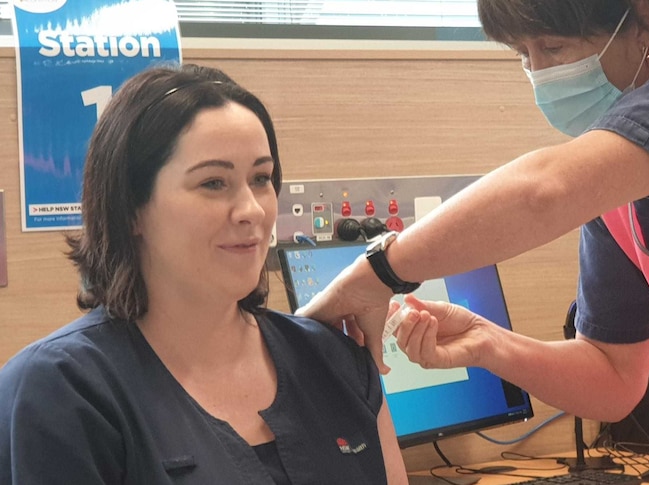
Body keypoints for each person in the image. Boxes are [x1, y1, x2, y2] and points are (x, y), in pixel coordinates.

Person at [297, 1, 649, 484]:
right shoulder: (624, 171)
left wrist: (373, 274)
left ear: (647, 16)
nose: (541, 75)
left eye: (555, 46)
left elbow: (544, 191)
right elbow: (613, 380)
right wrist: (486, 343)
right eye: (523, 55)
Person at [0, 64, 407, 484]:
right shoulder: (59, 392)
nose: (251, 209)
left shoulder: (335, 361)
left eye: (261, 178)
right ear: (131, 208)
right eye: (214, 183)